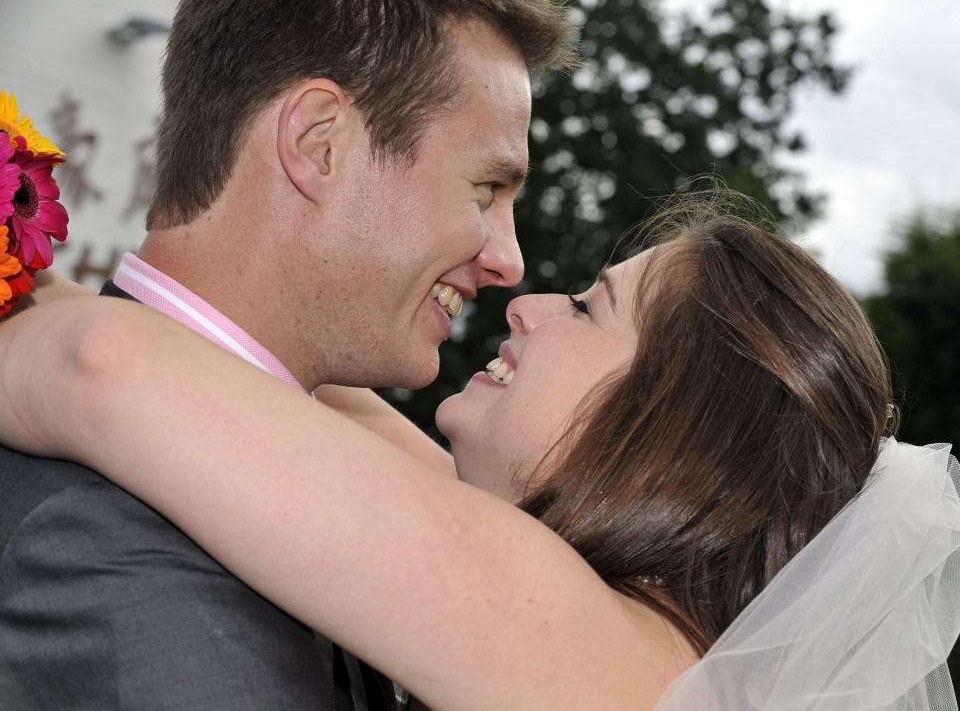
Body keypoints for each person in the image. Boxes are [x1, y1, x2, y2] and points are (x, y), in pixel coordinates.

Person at [2, 190, 957, 710]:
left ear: (673, 431)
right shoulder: (649, 640)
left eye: (590, 307)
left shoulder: (598, 661)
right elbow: (296, 389)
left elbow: (104, 363)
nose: (528, 301)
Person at [0, 0, 577, 708]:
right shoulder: (103, 541)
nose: (508, 262)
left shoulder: (293, 489)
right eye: (486, 189)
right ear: (318, 143)